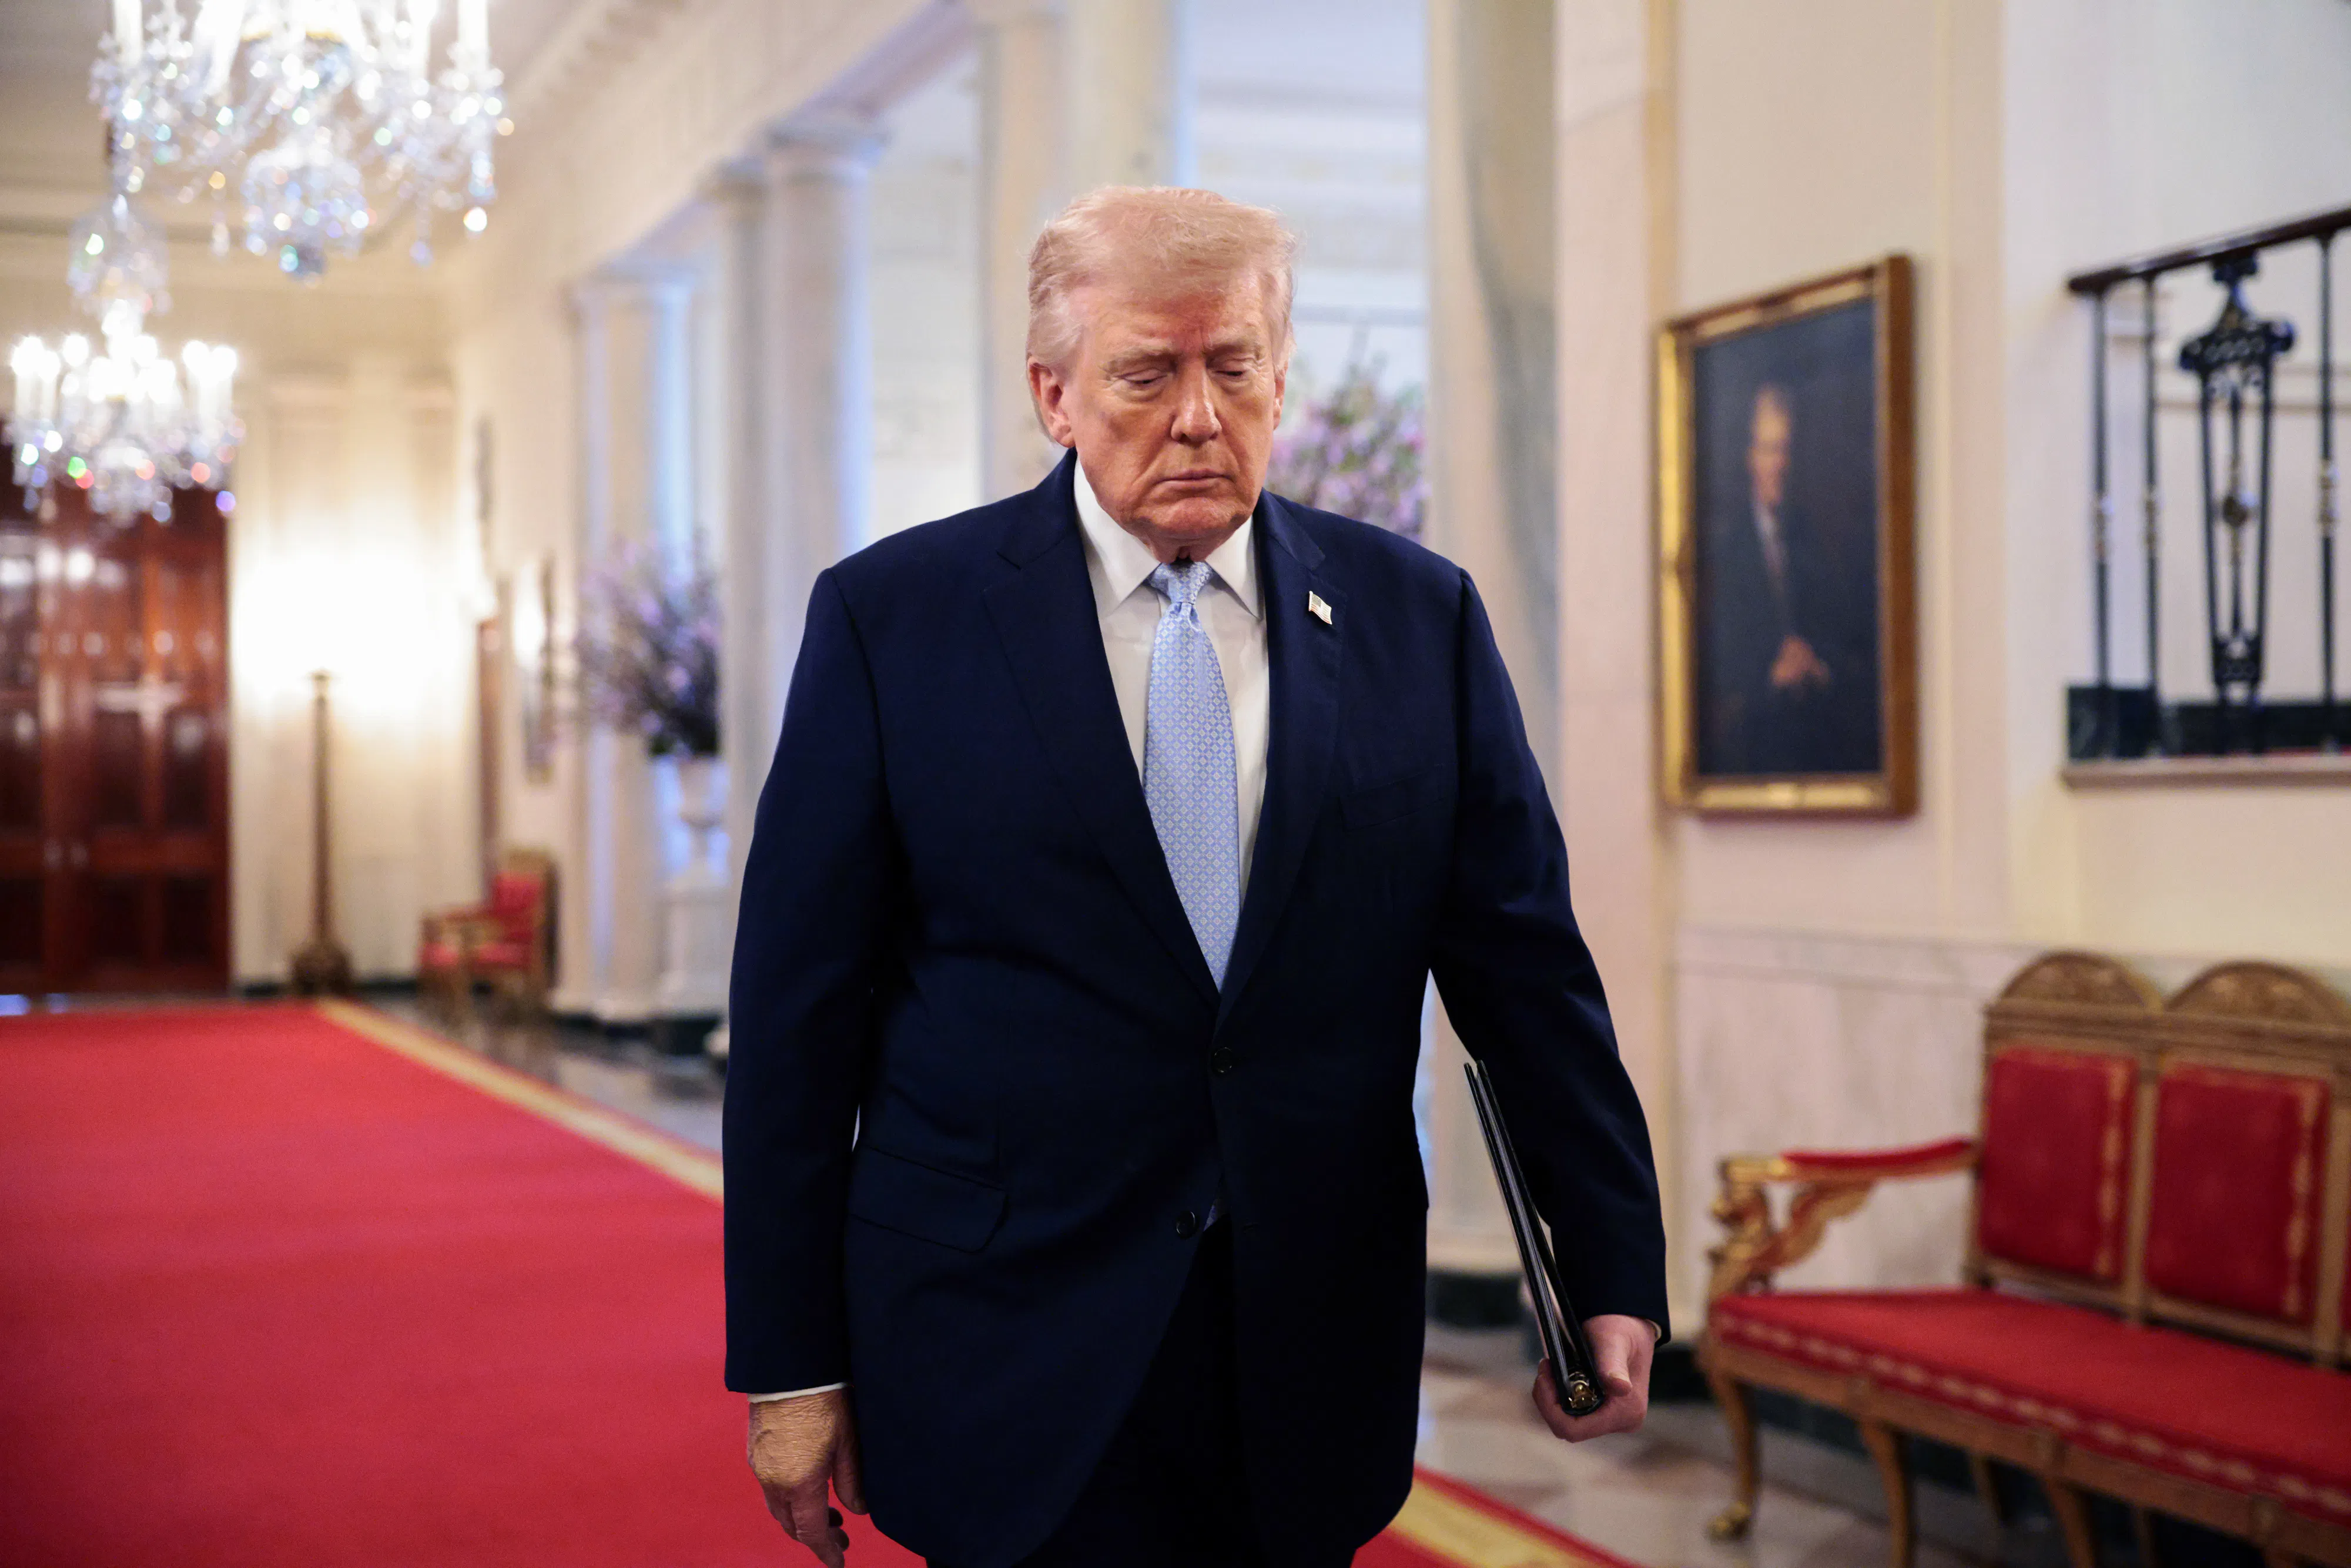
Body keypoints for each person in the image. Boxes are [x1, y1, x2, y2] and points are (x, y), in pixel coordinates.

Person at [724, 186, 1668, 1568]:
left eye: (1231, 367)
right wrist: (791, 1363)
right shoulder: (892, 622)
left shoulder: (1423, 622)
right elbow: (798, 1023)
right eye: (1143, 373)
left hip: (1306, 1342)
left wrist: (1605, 1262)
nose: (1195, 414)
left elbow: (1527, 979)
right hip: (1002, 1335)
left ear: (1279, 377)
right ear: (1054, 393)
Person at [1699, 382, 1880, 777]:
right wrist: (1771, 672)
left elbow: (1848, 641)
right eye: (1768, 449)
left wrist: (1816, 663)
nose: (1779, 463)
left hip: (1820, 750)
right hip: (1751, 755)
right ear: (1750, 457)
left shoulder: (1813, 541)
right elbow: (1715, 666)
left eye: (1785, 449)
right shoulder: (1726, 552)